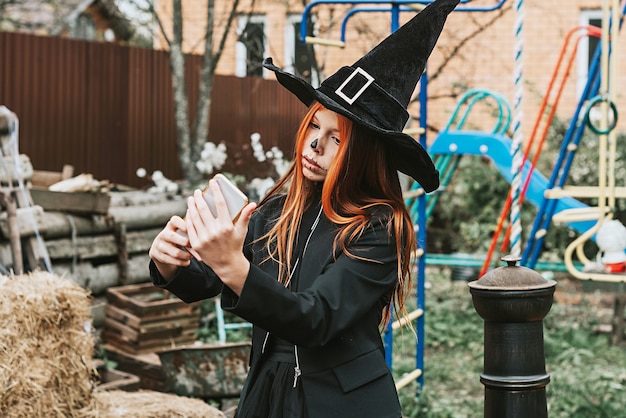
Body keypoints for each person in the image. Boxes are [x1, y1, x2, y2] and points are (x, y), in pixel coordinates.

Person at [148, 0, 459, 416]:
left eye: (337, 137)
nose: (315, 143)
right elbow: (209, 277)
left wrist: (233, 267)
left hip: (340, 403)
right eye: (315, 124)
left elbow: (316, 318)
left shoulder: (381, 229)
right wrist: (173, 262)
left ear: (364, 154)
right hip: (268, 390)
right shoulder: (279, 209)